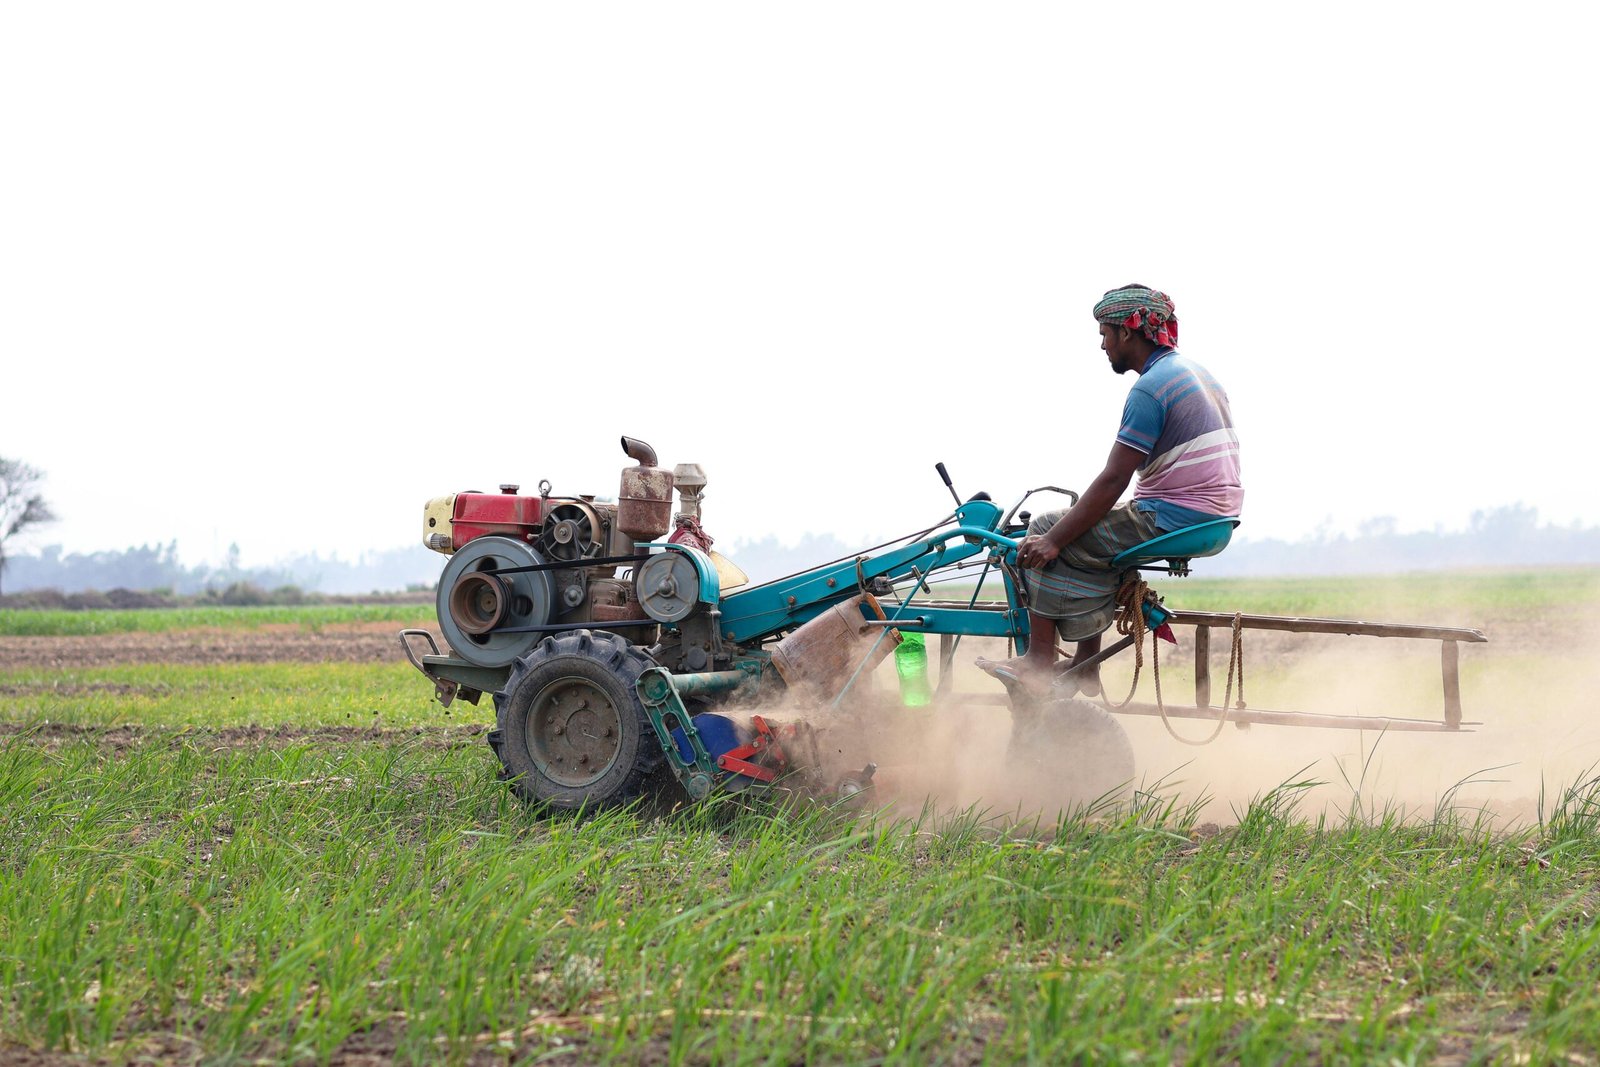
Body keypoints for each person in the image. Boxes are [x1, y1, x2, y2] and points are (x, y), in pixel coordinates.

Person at [980, 284, 1243, 696]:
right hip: (1214, 515)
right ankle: (1085, 664)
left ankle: (1038, 662)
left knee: (1049, 526)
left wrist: (1051, 540)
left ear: (1127, 332)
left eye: (1105, 333)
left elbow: (1114, 478)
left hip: (1176, 514)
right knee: (1090, 534)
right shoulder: (1196, 373)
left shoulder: (1150, 388)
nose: (1102, 344)